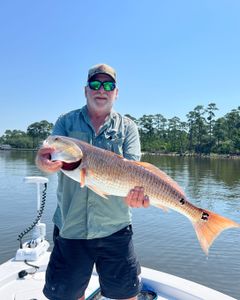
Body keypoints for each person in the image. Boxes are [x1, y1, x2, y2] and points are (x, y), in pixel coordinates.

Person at [36, 63, 150, 300]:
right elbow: (46, 154)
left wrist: (138, 197)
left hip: (115, 227)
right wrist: (42, 161)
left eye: (108, 85)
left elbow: (134, 171)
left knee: (125, 295)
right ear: (85, 90)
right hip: (71, 227)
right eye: (95, 84)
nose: (101, 90)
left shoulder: (128, 128)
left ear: (116, 92)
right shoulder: (66, 122)